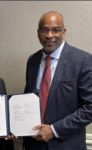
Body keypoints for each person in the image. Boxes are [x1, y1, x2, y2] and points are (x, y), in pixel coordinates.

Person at [24, 11, 92, 150]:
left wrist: (54, 130)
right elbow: (28, 98)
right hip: (34, 144)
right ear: (38, 32)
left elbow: (90, 107)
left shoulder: (83, 60)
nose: (49, 35)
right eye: (44, 30)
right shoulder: (32, 61)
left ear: (64, 32)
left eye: (55, 30)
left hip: (66, 144)